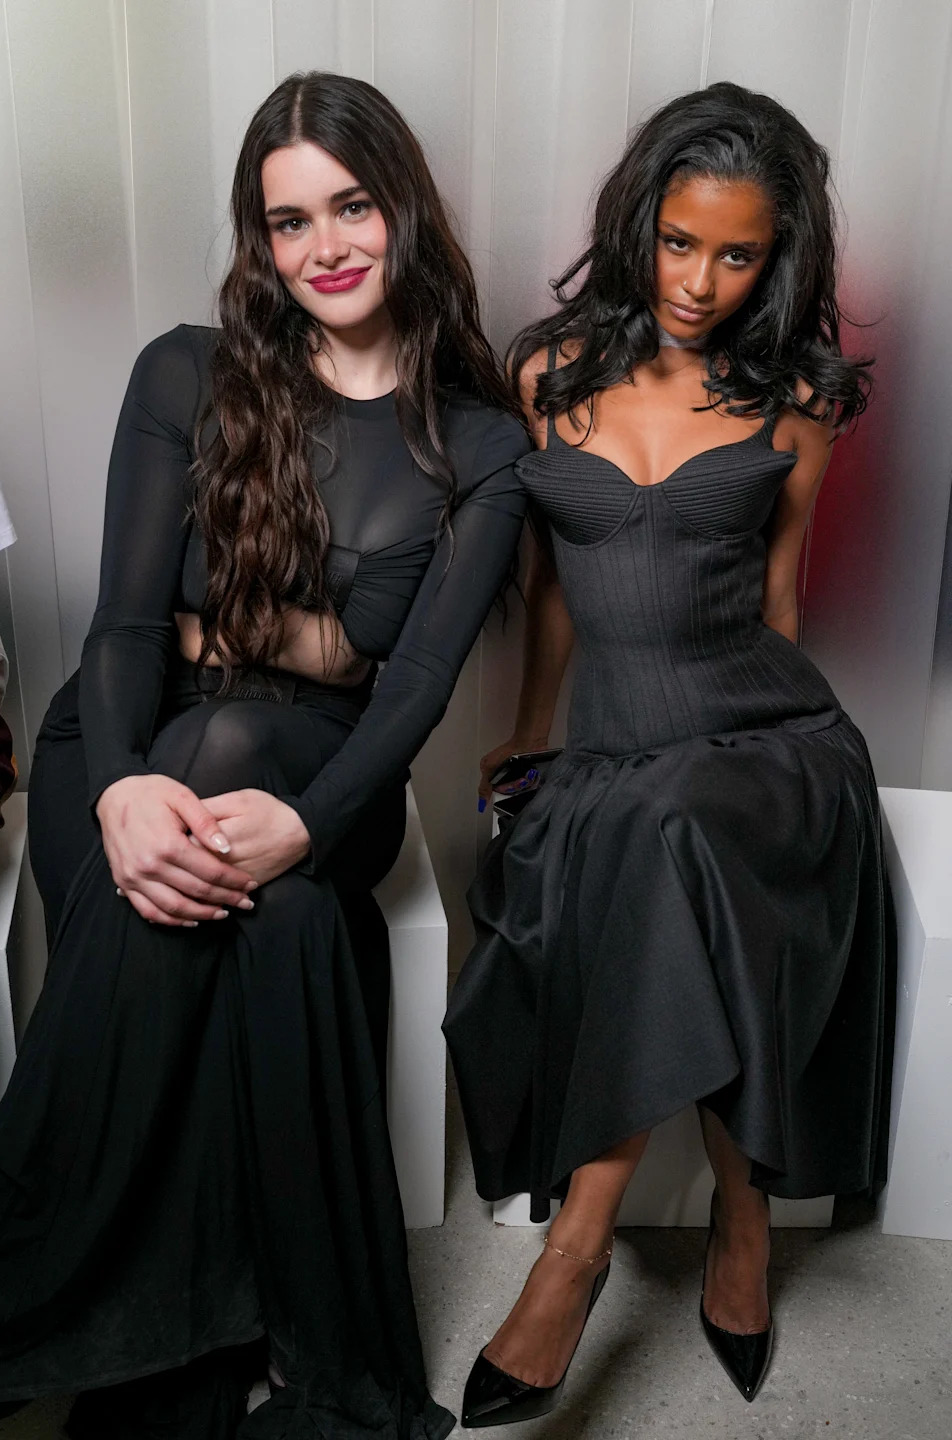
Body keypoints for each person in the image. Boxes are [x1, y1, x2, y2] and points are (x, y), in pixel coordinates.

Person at [0, 71, 528, 1439]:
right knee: (256, 909)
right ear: (260, 242)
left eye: (352, 205)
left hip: (330, 780)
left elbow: (406, 689)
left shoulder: (477, 446)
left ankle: (29, 1301)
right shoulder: (187, 371)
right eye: (289, 222)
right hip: (116, 748)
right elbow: (124, 626)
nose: (326, 245)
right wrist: (116, 786)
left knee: (241, 800)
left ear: (404, 207)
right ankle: (233, 1346)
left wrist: (306, 816)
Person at [444, 80, 892, 1425]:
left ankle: (578, 1255)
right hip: (621, 739)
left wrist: (744, 743)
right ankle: (742, 1210)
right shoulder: (544, 371)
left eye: (739, 252)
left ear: (781, 255)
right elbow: (546, 593)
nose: (700, 281)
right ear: (641, 221)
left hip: (769, 737)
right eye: (680, 240)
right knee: (656, 830)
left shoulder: (800, 396)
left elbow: (783, 607)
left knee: (682, 823)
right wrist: (531, 728)